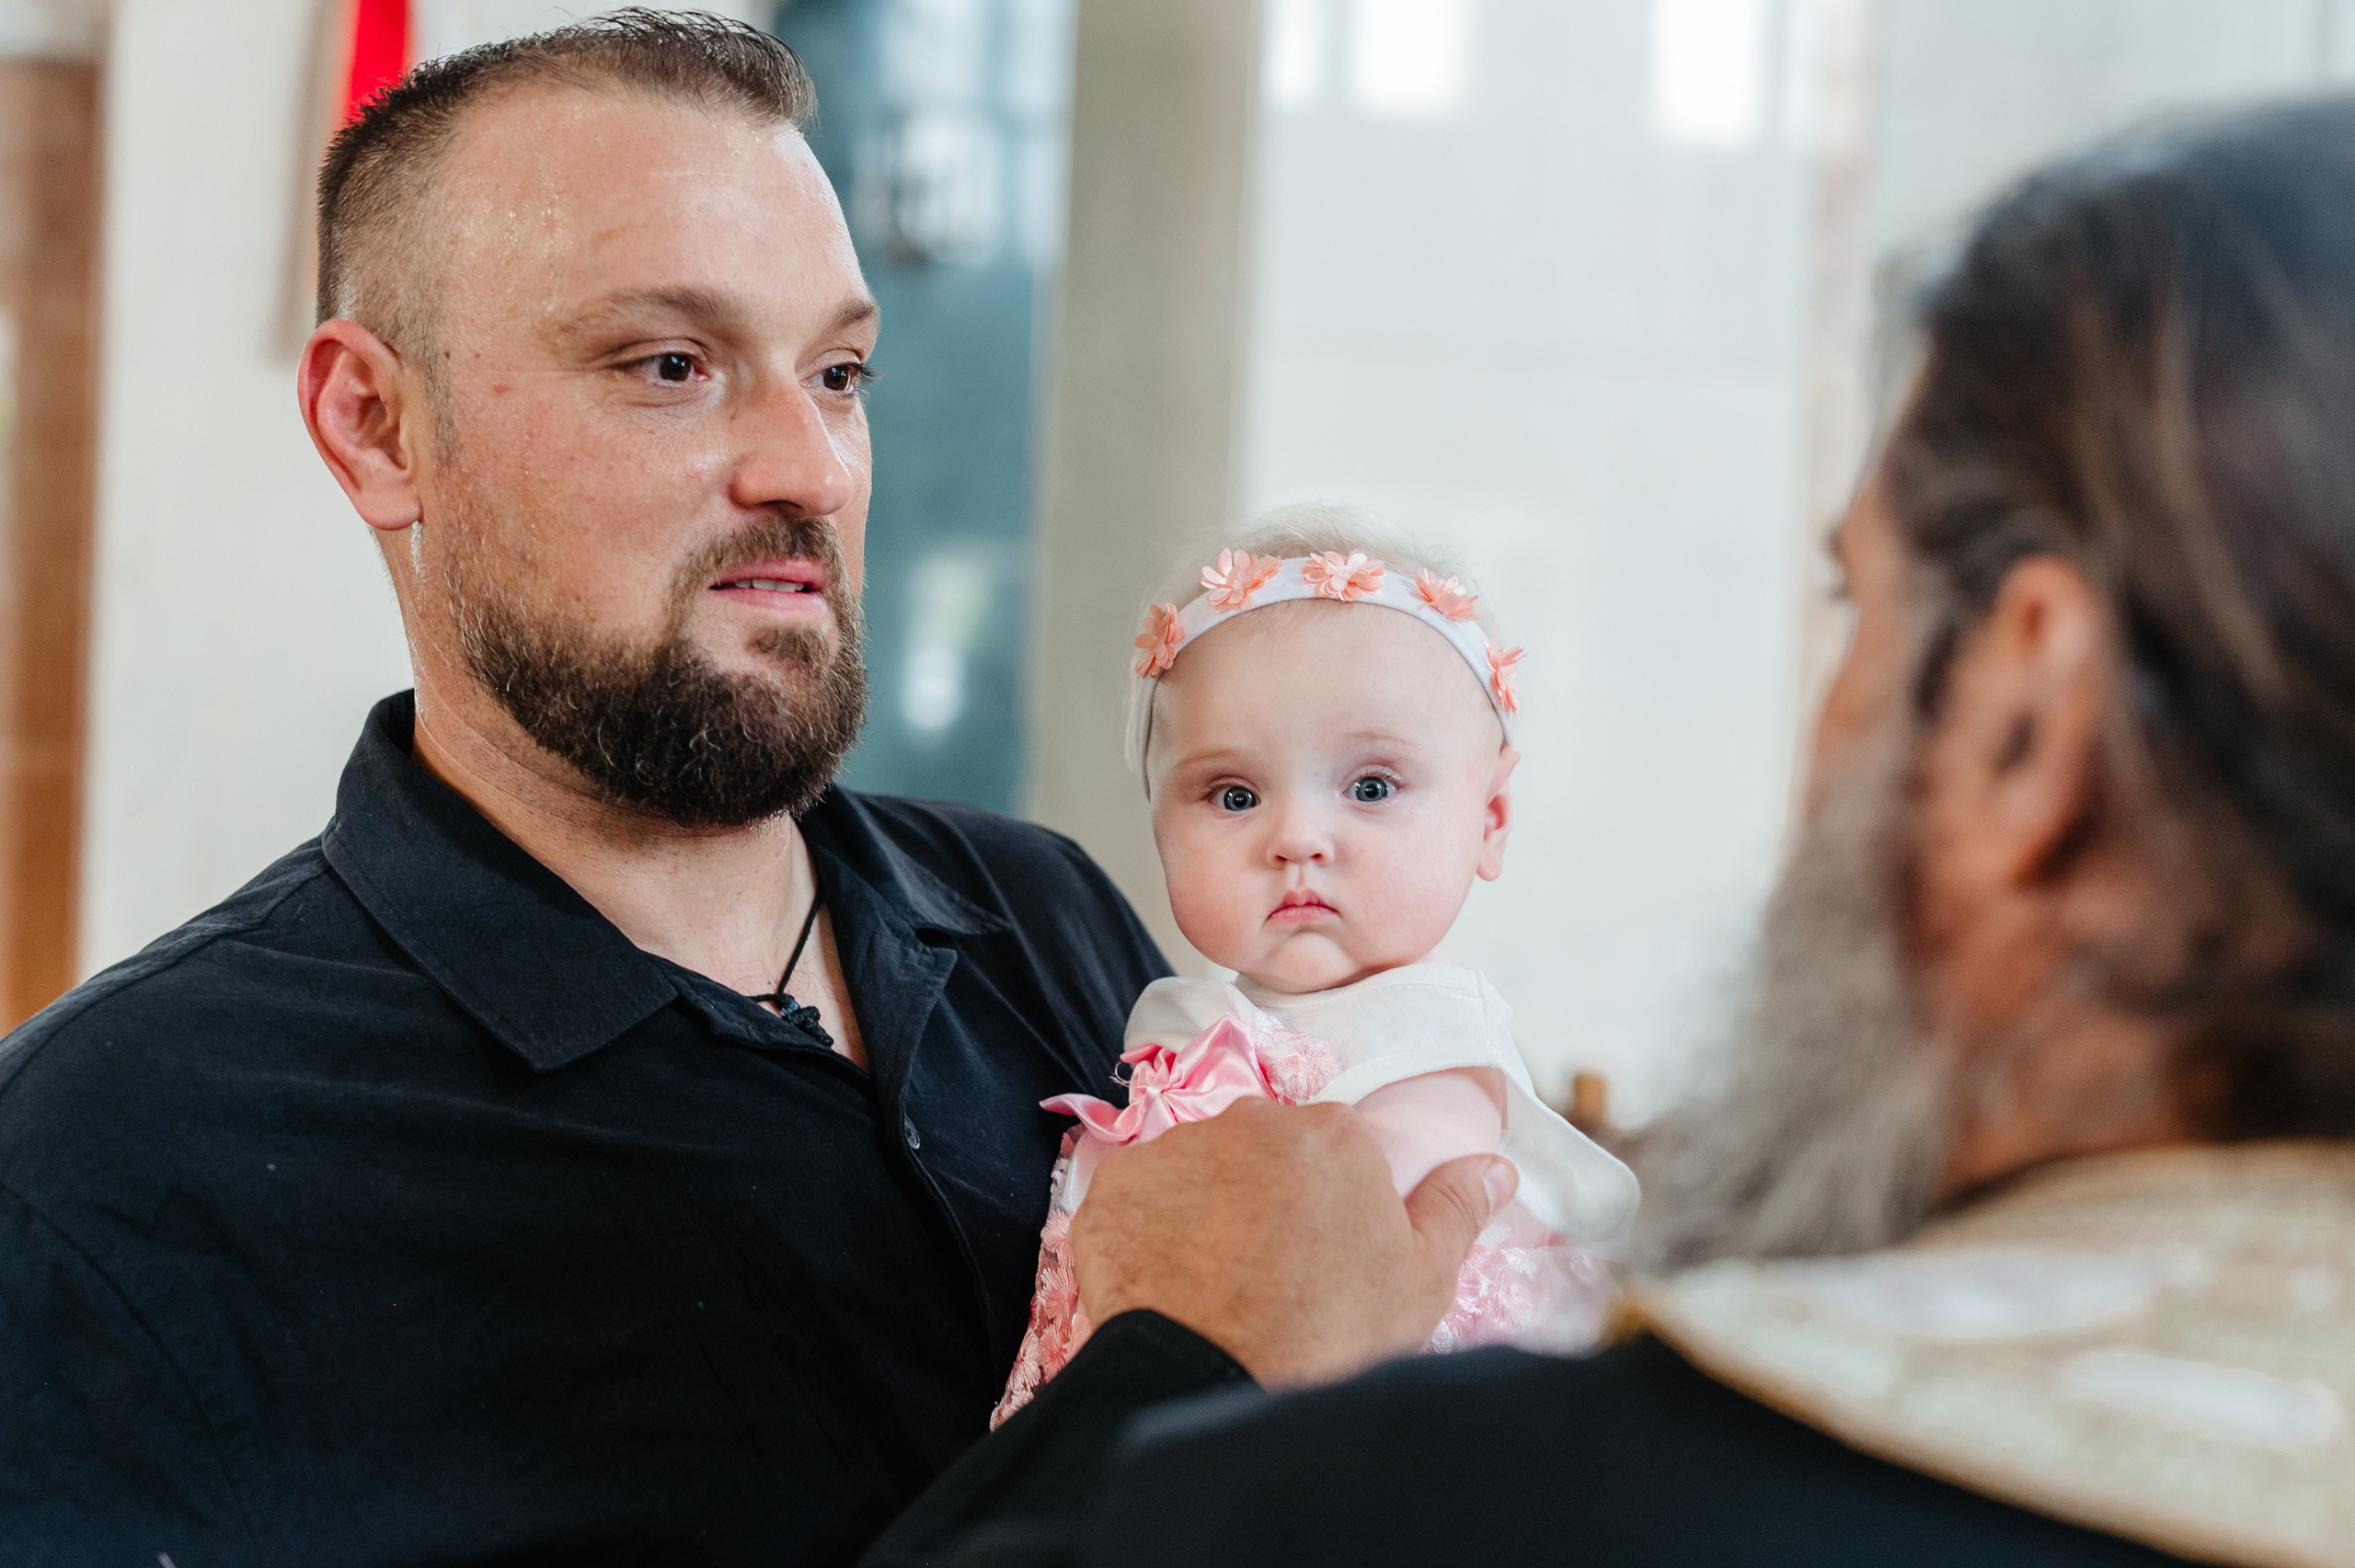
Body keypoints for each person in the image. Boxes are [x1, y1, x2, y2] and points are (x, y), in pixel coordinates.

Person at [861, 97, 2355, 1568]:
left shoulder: (1444, 1507)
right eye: (1233, 792)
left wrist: (1173, 1358)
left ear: (2033, 719)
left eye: (1856, 611)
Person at [0, 15, 1166, 1566]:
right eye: (671, 365)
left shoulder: (1045, 917)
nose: (810, 467)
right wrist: (1188, 1356)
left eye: (838, 371)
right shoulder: (110, 1169)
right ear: (378, 426)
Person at [993, 518, 1637, 1425]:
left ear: (1489, 818)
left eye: (1371, 787)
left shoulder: (1430, 1044)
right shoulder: (1182, 1019)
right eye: (1234, 796)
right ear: (1157, 821)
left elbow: (1329, 1281)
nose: (1295, 838)